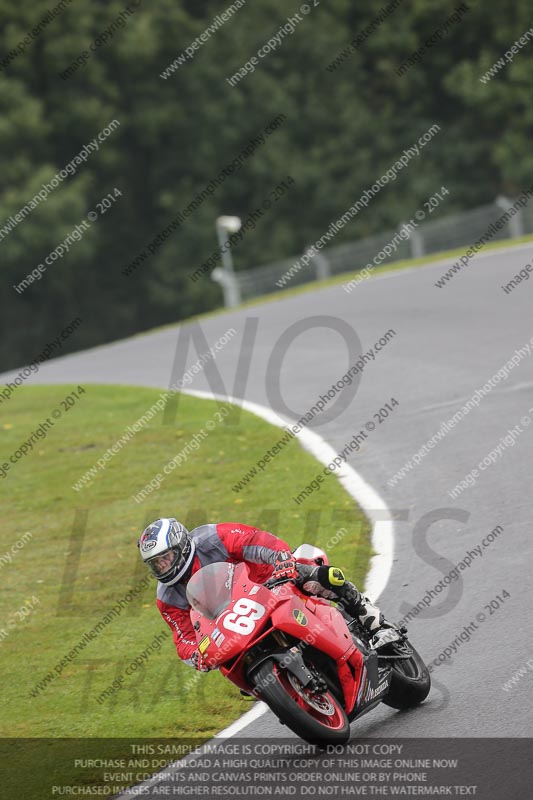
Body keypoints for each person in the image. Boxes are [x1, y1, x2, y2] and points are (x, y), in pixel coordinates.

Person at [138, 517, 384, 672]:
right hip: (232, 621)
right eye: (155, 564)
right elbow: (183, 637)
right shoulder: (167, 597)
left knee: (316, 574)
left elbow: (256, 540)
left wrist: (281, 559)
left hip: (268, 583)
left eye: (165, 558)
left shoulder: (212, 538)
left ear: (181, 546)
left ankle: (373, 621)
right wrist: (195, 654)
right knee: (229, 663)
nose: (162, 567)